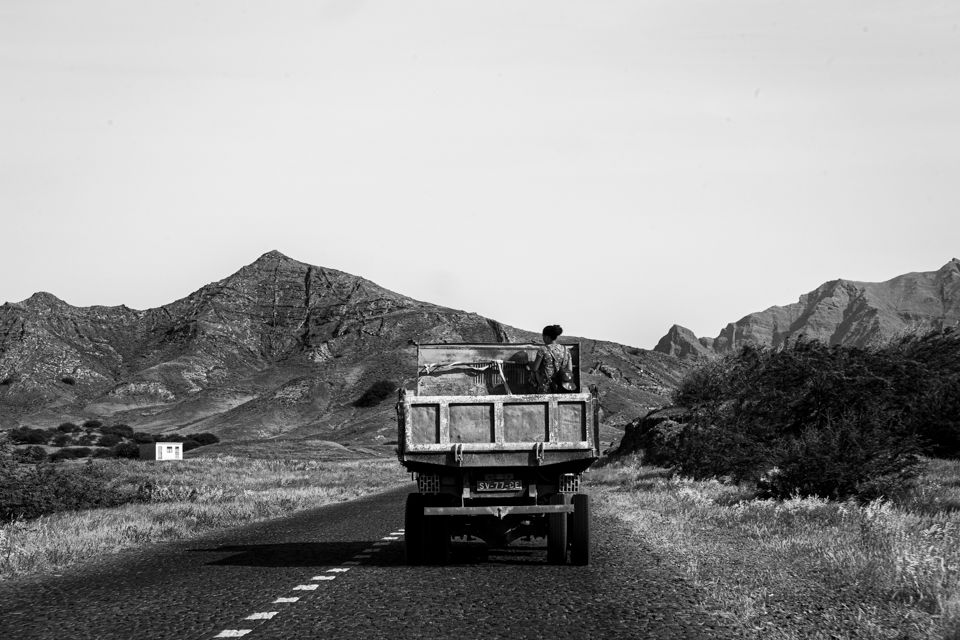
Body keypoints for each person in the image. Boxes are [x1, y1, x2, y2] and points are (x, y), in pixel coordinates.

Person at [530, 324, 572, 393]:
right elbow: (570, 370)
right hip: (562, 386)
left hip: (546, 387)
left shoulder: (543, 349)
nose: (543, 338)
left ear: (547, 337)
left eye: (543, 336)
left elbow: (535, 368)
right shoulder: (566, 350)